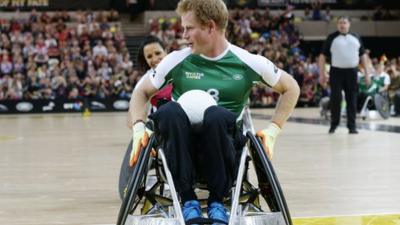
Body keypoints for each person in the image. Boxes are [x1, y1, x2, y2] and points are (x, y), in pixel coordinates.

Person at [128, 0, 300, 223]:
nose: (184, 35)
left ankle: (217, 201)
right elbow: (141, 92)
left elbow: (291, 87)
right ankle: (188, 200)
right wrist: (138, 128)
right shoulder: (176, 60)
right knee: (168, 111)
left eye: (189, 28)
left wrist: (273, 130)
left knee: (216, 116)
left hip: (224, 146)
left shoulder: (247, 62)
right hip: (182, 146)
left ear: (210, 27)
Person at [319, 16, 372, 134]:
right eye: (340, 23)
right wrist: (322, 73)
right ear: (337, 25)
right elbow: (322, 56)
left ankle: (352, 126)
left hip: (352, 72)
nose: (342, 25)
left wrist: (367, 74)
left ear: (349, 24)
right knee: (335, 99)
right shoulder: (331, 38)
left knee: (352, 99)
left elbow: (363, 56)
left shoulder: (356, 37)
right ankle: (334, 124)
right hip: (336, 72)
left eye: (344, 22)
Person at [127, 35, 172, 128]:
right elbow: (130, 120)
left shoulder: (181, 70)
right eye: (149, 56)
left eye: (158, 53)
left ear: (166, 51)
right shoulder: (144, 83)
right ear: (146, 60)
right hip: (159, 134)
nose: (155, 59)